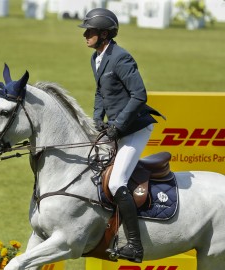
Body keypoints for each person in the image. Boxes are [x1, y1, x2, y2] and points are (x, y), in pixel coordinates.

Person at [79, 8, 164, 263]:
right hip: (116, 127)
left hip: (135, 128)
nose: (85, 34)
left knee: (117, 182)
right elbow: (99, 94)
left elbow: (140, 95)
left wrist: (117, 125)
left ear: (104, 34)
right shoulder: (96, 58)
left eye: (90, 31)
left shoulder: (121, 58)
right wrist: (96, 121)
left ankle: (135, 247)